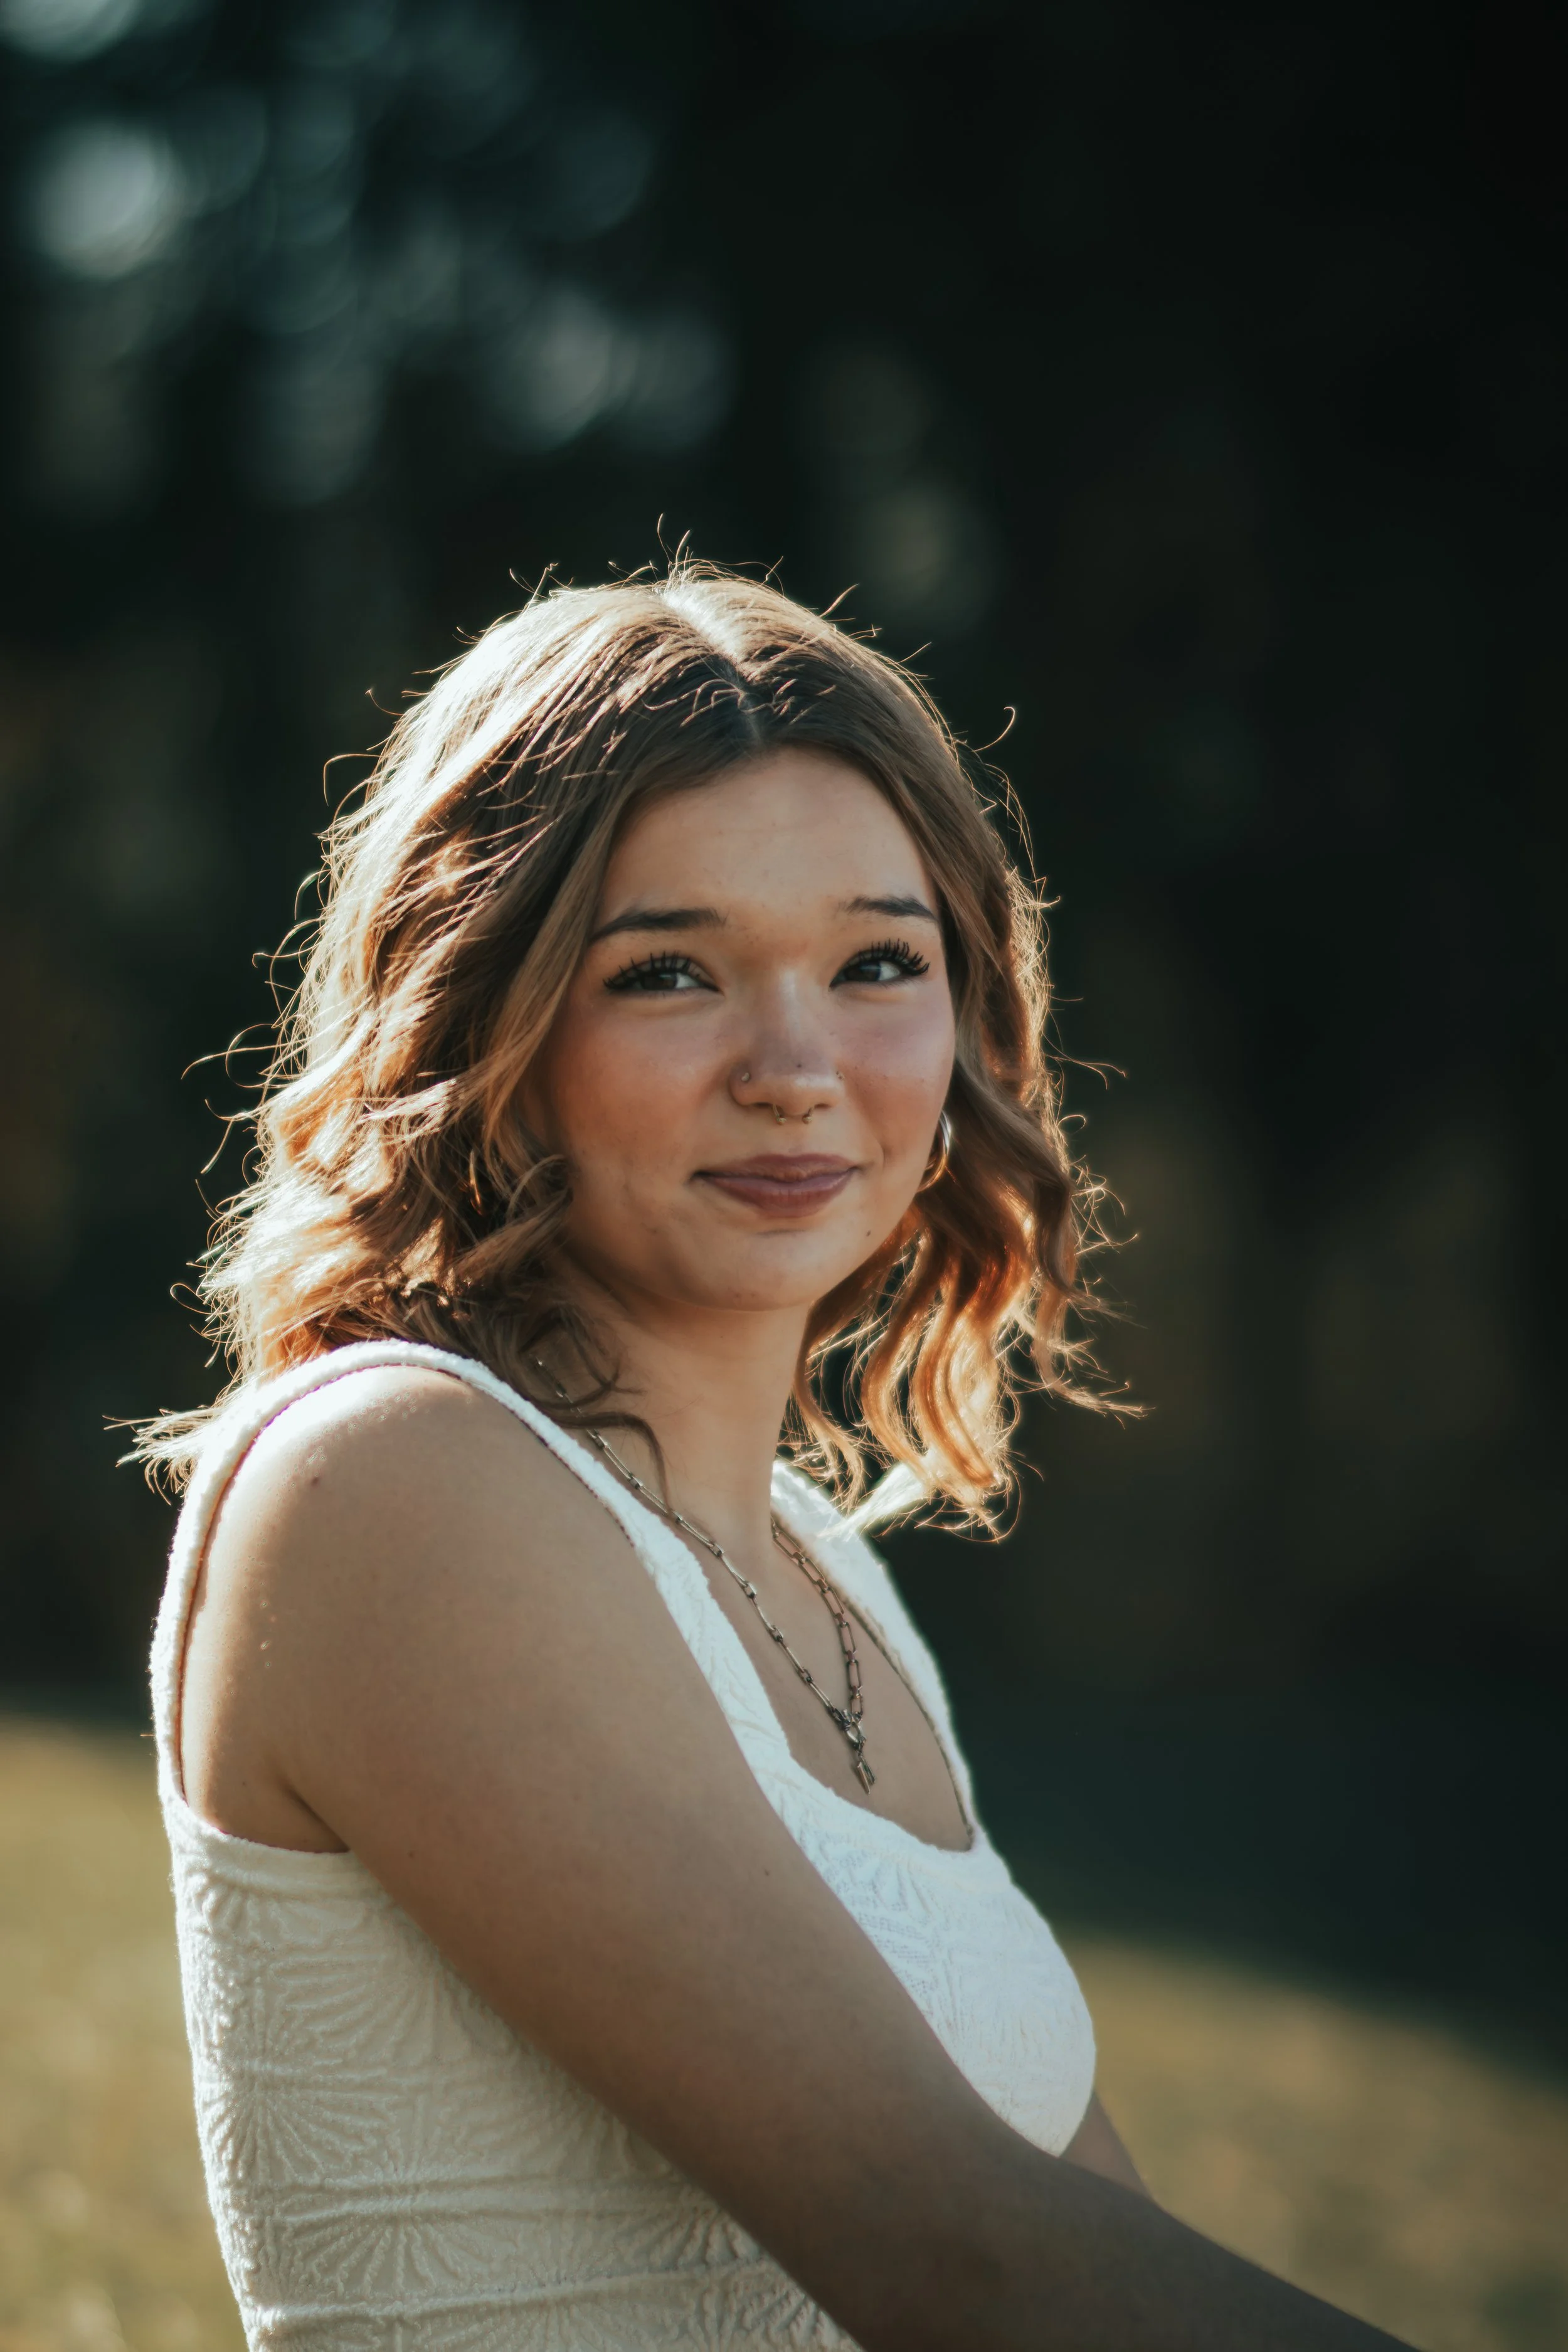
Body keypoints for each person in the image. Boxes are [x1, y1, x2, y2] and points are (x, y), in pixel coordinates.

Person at [140, 565, 1410, 2350]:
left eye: (876, 961)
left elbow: (1080, 2234)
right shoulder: (393, 1480)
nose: (797, 1066)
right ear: (482, 1021)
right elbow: (948, 2251)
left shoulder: (833, 1572)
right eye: (668, 971)